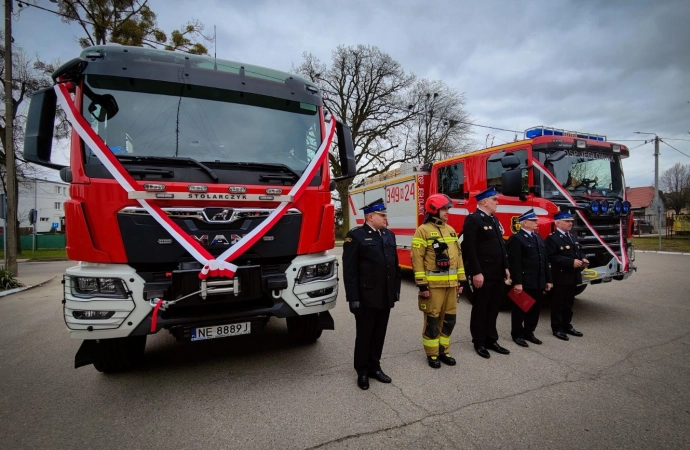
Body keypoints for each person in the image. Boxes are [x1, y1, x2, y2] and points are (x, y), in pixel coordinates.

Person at [342, 198, 401, 390]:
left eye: (385, 215)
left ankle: (375, 366)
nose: (385, 218)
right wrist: (353, 298)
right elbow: (350, 271)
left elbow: (394, 265)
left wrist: (395, 291)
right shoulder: (356, 236)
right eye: (382, 215)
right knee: (365, 334)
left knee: (379, 333)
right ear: (370, 216)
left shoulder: (388, 235)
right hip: (366, 296)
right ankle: (362, 370)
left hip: (385, 295)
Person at [411, 194, 466, 368]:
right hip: (433, 286)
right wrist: (422, 284)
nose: (447, 212)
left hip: (451, 285)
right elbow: (417, 259)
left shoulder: (451, 230)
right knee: (433, 320)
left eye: (448, 209)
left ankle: (444, 350)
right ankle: (432, 354)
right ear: (434, 209)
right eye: (444, 209)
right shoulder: (423, 230)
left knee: (450, 319)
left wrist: (461, 280)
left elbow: (458, 256)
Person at [461, 187, 511, 359]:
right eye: (494, 200)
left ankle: (492, 339)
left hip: (497, 273)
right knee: (481, 308)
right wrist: (476, 272)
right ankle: (479, 341)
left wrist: (505, 266)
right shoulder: (473, 220)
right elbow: (470, 248)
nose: (497, 202)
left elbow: (501, 246)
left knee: (494, 307)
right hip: (483, 273)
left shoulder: (494, 220)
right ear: (484, 202)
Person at [506, 208, 552, 347]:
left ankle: (529, 332)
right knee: (520, 309)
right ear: (525, 223)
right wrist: (517, 282)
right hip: (525, 281)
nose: (537, 222)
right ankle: (517, 334)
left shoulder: (537, 237)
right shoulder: (517, 238)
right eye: (533, 221)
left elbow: (544, 260)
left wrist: (548, 279)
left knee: (535, 309)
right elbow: (515, 263)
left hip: (538, 281)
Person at [545, 210, 588, 341]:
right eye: (567, 221)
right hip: (560, 276)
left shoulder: (572, 236)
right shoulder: (552, 238)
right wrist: (571, 262)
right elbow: (551, 257)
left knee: (569, 303)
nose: (571, 223)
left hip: (573, 275)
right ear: (558, 223)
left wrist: (583, 259)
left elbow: (578, 251)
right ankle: (557, 328)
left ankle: (567, 325)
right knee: (558, 303)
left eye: (571, 221)